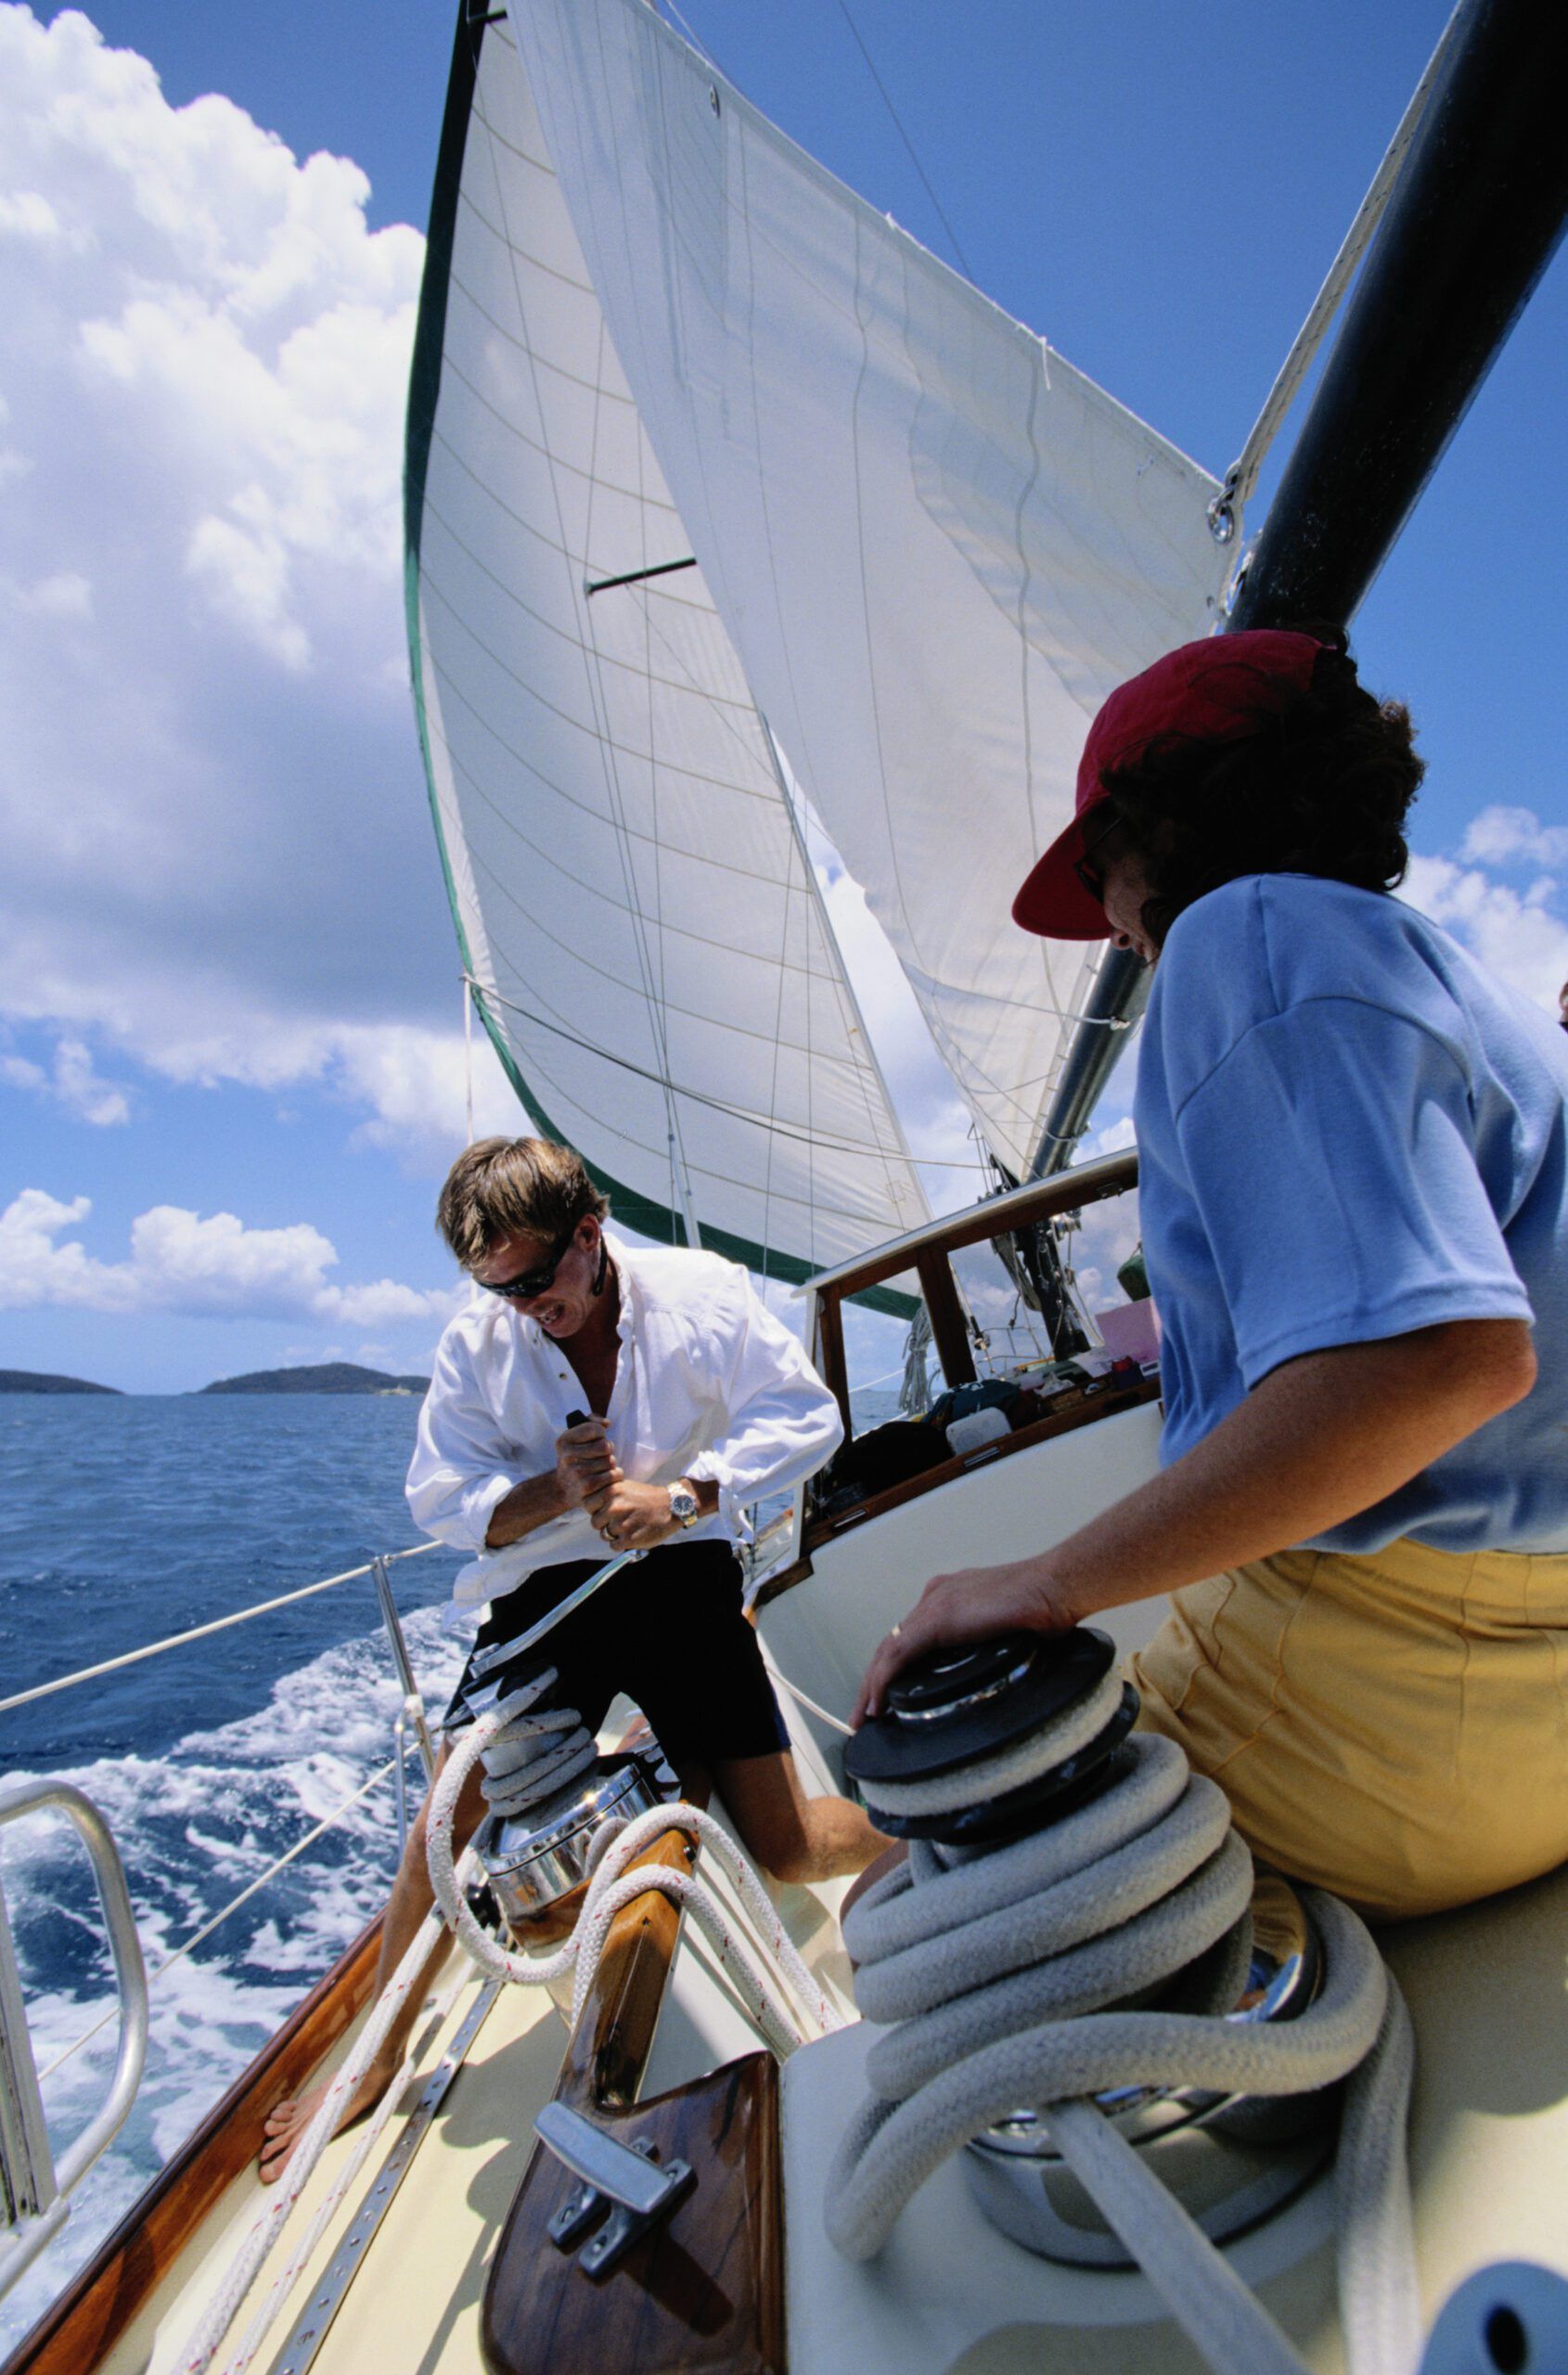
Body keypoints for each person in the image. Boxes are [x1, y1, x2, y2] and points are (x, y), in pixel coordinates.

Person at [855, 628, 1568, 1924]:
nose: (1116, 935)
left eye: (1097, 870)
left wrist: (1043, 1581)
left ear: (1156, 826)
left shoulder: (1243, 939)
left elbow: (1435, 1360)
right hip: (1524, 1696)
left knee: (906, 1914)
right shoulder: (1409, 958)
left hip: (1397, 1704)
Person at [262, 1136, 886, 2180]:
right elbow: (441, 1500)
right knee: (451, 1801)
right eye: (496, 1287)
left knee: (784, 1845)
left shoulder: (702, 1292)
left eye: (535, 1281)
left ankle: (918, 1824)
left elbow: (807, 1417)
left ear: (588, 1237)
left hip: (682, 1567)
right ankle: (377, 2051)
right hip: (548, 1585)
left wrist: (684, 1495)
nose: (520, 1307)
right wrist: (553, 1491)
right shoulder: (481, 1338)